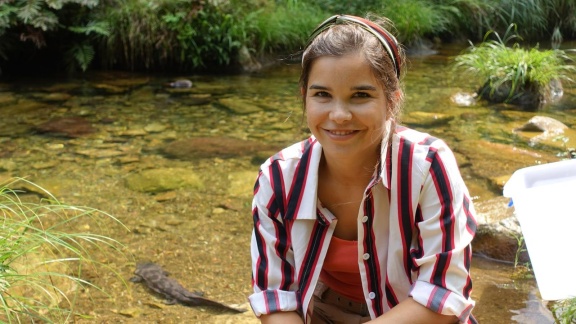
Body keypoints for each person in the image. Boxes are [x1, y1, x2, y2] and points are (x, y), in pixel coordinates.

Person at [248, 13, 477, 324]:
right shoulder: (277, 178)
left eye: (361, 96)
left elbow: (443, 294)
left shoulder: (428, 166)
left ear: (392, 101)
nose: (339, 115)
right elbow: (275, 297)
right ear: (305, 98)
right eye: (322, 95)